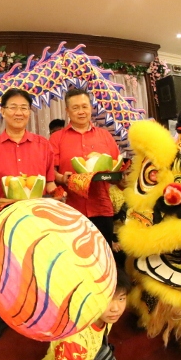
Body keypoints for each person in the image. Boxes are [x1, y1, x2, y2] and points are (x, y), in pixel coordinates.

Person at [0, 87, 57, 342]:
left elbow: (51, 184)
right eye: (13, 107)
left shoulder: (44, 146)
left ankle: (38, 316)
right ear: (3, 111)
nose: (18, 112)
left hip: (37, 222)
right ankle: (0, 318)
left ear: (30, 112)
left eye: (24, 108)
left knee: (36, 270)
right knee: (2, 272)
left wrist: (60, 198)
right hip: (3, 221)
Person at [50, 88, 120, 248]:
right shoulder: (56, 138)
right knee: (71, 258)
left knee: (103, 256)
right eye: (75, 108)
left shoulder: (105, 136)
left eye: (84, 106)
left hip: (101, 208)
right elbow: (49, 171)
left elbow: (116, 168)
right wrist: (61, 178)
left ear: (91, 107)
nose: (81, 111)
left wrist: (119, 176)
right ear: (67, 111)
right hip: (69, 210)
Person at [39, 268, 131, 360]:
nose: (116, 309)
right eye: (108, 300)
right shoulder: (74, 340)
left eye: (121, 299)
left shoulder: (106, 317)